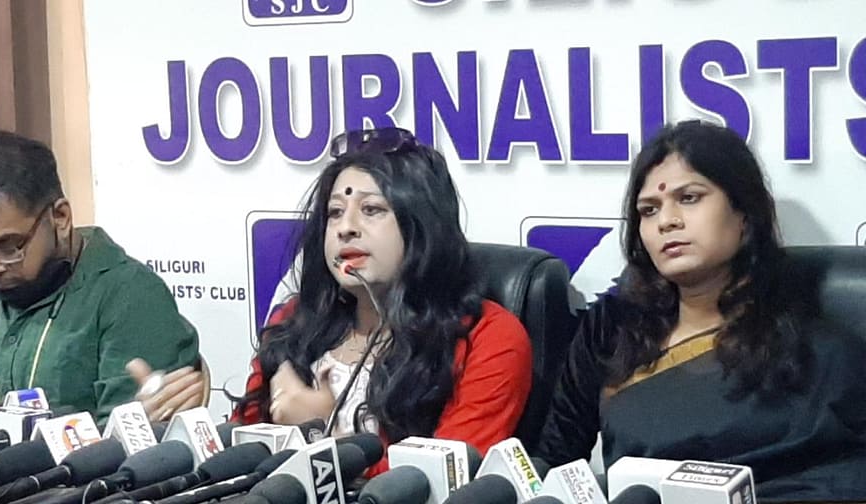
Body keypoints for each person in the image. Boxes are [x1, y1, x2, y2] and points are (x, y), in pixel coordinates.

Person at [534, 120, 866, 501]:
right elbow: (556, 462)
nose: (667, 221)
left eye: (689, 198)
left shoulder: (819, 352)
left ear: (744, 214)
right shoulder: (612, 329)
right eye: (649, 210)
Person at [228, 127, 532, 475]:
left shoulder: (489, 338)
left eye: (371, 209)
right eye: (335, 212)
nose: (346, 228)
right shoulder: (294, 320)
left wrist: (322, 435)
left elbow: (444, 479)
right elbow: (240, 450)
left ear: (421, 225)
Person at [0, 130, 201, 424]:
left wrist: (133, 425)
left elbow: (126, 441)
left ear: (60, 217)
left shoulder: (130, 297)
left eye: (8, 247)